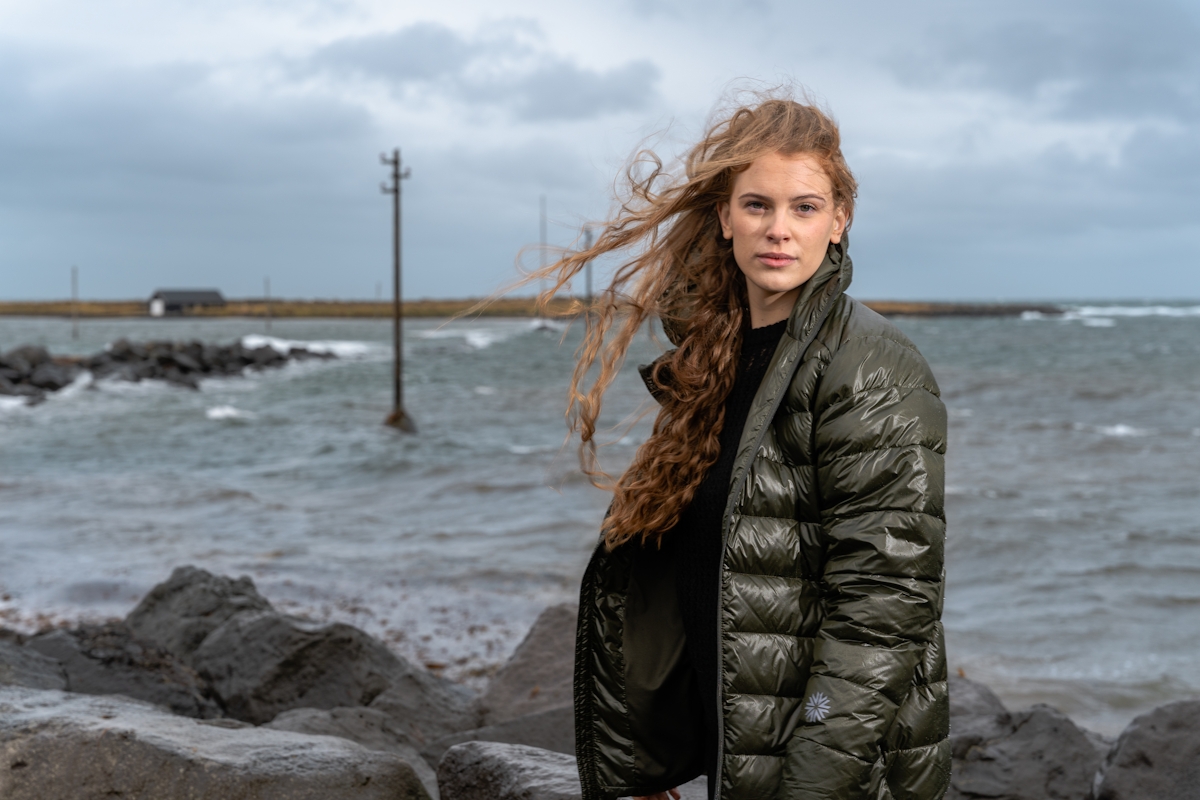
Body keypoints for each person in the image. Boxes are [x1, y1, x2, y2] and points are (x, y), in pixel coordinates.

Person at [536, 94, 950, 800]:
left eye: (805, 208)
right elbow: (702, 566)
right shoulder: (714, 359)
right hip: (746, 754)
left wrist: (816, 780)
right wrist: (649, 758)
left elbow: (885, 602)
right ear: (725, 218)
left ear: (840, 222)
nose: (778, 230)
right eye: (757, 205)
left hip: (841, 771)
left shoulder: (870, 364)